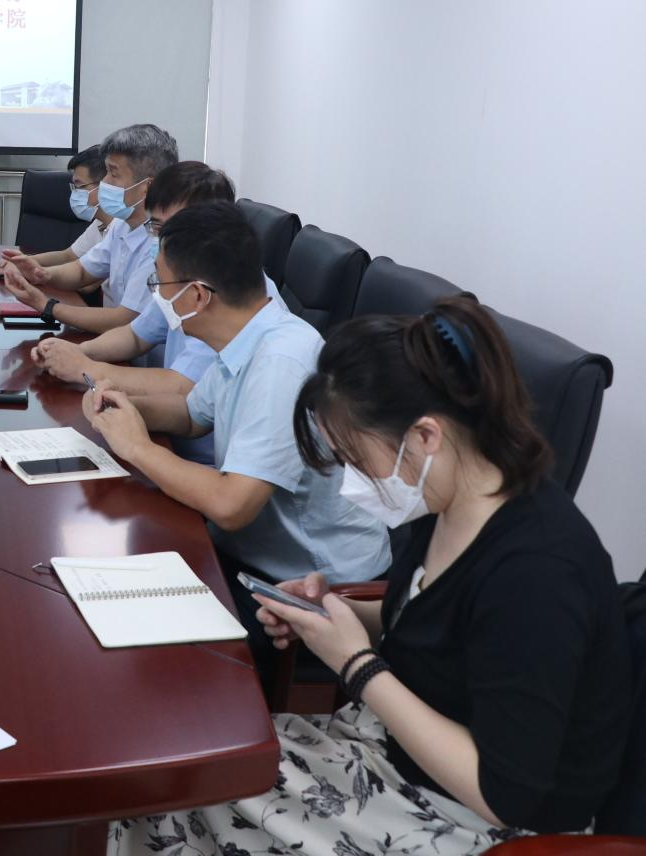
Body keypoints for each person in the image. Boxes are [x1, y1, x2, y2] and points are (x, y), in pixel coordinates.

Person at [111, 297, 631, 854]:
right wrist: (334, 611)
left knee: (172, 786)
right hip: (388, 749)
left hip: (474, 820)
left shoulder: (537, 573)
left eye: (358, 460)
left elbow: (506, 792)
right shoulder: (451, 500)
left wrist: (356, 663)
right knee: (170, 757)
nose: (353, 482)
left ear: (426, 437)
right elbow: (436, 623)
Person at [82, 203, 388, 649]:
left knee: (128, 637)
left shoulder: (281, 362)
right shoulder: (246, 335)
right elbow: (192, 414)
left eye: (160, 285)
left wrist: (138, 448)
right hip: (251, 553)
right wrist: (126, 409)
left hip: (311, 587)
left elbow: (231, 505)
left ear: (197, 295)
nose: (157, 298)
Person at [33, 162, 252, 465]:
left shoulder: (228, 301)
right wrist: (75, 353)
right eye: (154, 227)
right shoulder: (182, 281)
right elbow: (136, 335)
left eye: (164, 229)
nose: (156, 240)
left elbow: (181, 385)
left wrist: (86, 369)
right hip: (169, 440)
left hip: (200, 463)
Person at [0, 124, 178, 334]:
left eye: (113, 173)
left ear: (147, 186)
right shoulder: (122, 224)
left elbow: (124, 321)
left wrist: (47, 306)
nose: (104, 182)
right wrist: (41, 274)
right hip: (114, 342)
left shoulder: (159, 243)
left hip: (136, 350)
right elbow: (82, 271)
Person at [0, 145, 111, 278]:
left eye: (79, 185)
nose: (74, 193)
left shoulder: (119, 229)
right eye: (73, 186)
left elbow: (87, 282)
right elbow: (68, 255)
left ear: (105, 185)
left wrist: (35, 273)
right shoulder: (99, 223)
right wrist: (21, 262)